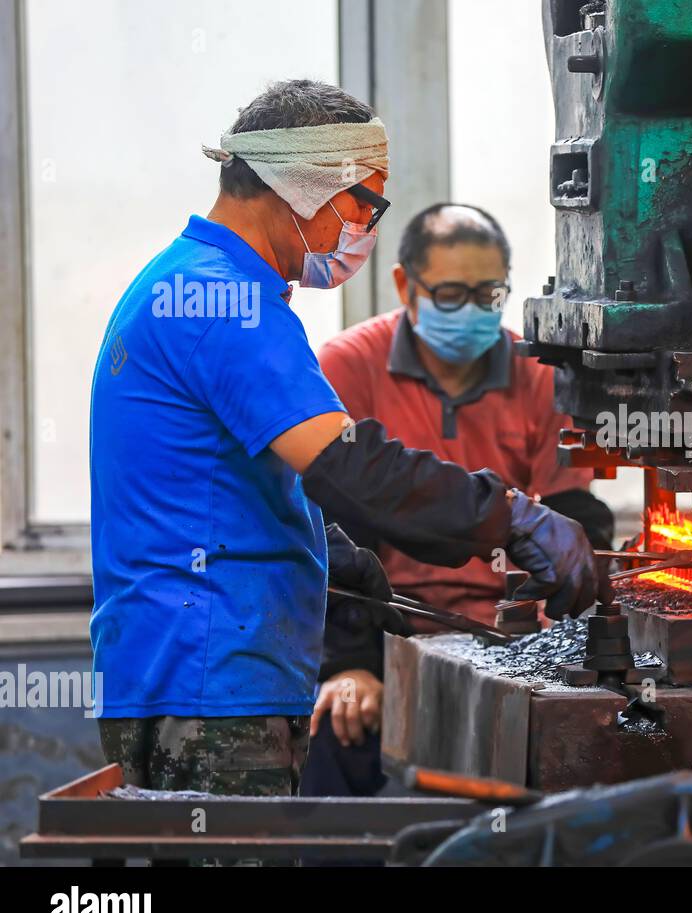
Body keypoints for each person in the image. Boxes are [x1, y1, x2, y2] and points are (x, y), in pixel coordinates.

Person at [89, 79, 600, 799]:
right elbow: (349, 467)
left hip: (185, 662)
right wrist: (507, 514)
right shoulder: (225, 304)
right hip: (209, 676)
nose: (367, 223)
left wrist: (335, 556)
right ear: (309, 184)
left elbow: (224, 483)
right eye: (367, 200)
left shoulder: (190, 282)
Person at [302, 204, 614, 796]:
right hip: (387, 639)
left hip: (516, 640)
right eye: (449, 294)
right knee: (332, 739)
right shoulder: (346, 368)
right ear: (404, 285)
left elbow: (574, 519)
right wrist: (349, 666)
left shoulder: (542, 376)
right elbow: (328, 541)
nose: (471, 313)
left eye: (488, 294)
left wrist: (564, 620)